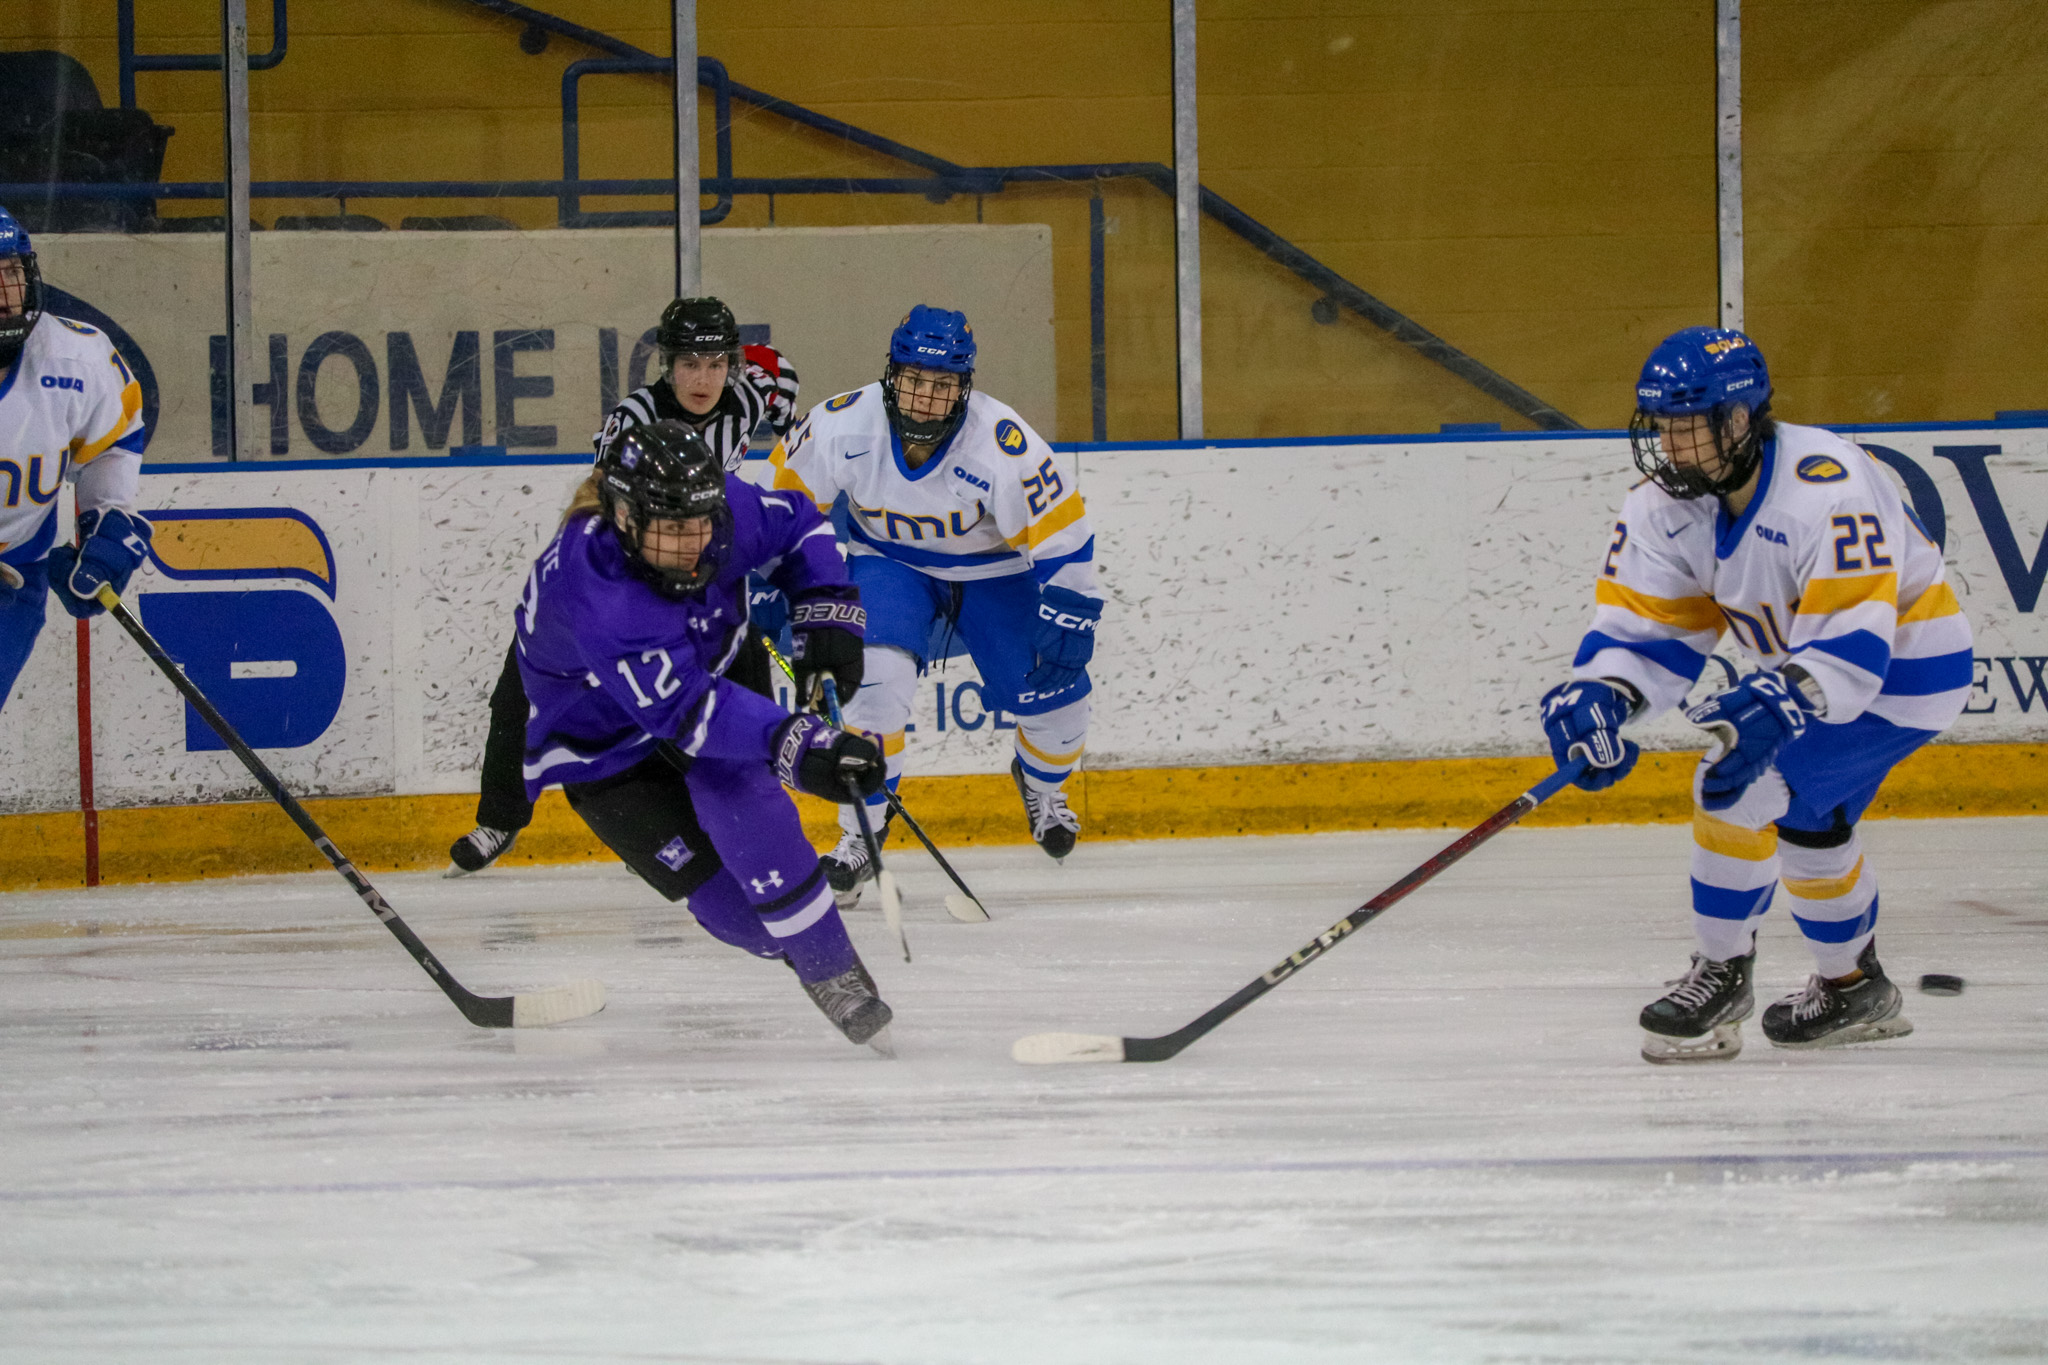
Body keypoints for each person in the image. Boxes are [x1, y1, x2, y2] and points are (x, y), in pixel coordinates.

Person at [1539, 326, 1972, 1063]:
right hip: (1815, 673)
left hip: (1905, 673)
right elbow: (1653, 632)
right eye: (1662, 428)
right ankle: (1853, 987)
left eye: (1687, 427)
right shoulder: (1662, 507)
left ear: (1738, 420)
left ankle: (1720, 976)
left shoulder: (1827, 485)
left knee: (1735, 782)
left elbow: (1852, 648)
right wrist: (1603, 694)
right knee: (1810, 825)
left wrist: (1783, 697)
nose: (1670, 447)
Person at [514, 419, 891, 1049]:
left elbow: (800, 525)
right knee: (725, 905)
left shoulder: (712, 508)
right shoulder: (599, 594)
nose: (693, 545)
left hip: (696, 672)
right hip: (598, 741)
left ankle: (834, 971)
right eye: (672, 531)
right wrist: (812, 749)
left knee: (749, 799)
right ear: (626, 520)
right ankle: (795, 948)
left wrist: (825, 608)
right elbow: (689, 711)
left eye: (701, 525)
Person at [448, 297, 799, 875]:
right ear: (666, 364)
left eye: (715, 364)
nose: (703, 379)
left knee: (747, 693)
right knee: (522, 690)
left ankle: (760, 823)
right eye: (688, 364)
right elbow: (601, 511)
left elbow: (783, 390)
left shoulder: (756, 389)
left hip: (704, 566)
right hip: (625, 569)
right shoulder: (634, 422)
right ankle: (500, 816)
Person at [767, 306, 1102, 902]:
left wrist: (1072, 612)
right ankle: (859, 837)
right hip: (889, 565)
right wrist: (773, 583)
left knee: (1058, 701)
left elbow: (1064, 534)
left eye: (942, 384)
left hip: (994, 572)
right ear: (892, 374)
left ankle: (1042, 784)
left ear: (963, 386)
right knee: (870, 694)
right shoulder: (842, 426)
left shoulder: (1003, 442)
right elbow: (782, 509)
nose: (925, 397)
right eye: (914, 380)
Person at [0, 203, 151, 715]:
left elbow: (112, 440)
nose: (6, 297)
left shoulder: (74, 359)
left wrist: (104, 517)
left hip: (13, 580)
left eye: (12, 274)